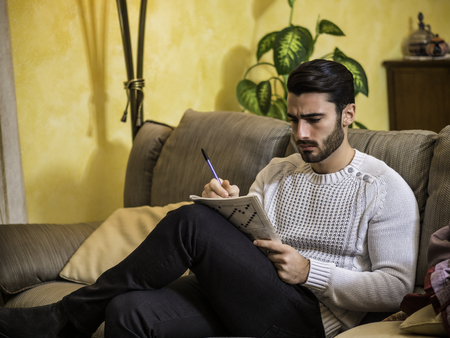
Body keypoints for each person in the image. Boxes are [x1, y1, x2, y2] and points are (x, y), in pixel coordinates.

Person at [0, 59, 420, 338]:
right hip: (241, 294)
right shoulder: (278, 172)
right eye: (293, 119)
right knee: (128, 310)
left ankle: (65, 318)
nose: (301, 134)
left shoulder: (385, 189)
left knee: (192, 223)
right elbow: (245, 248)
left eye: (314, 120)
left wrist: (311, 271)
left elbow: (396, 289)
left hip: (304, 317)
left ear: (347, 115)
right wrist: (225, 210)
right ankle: (76, 316)